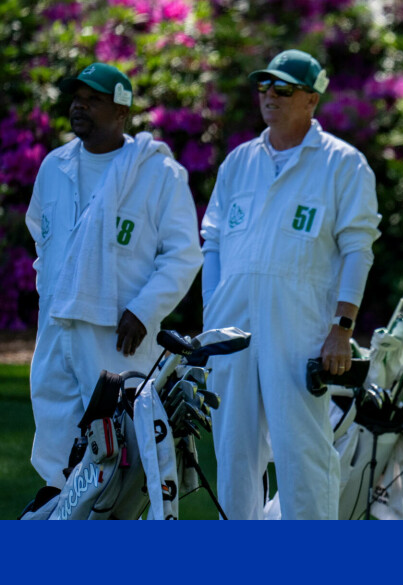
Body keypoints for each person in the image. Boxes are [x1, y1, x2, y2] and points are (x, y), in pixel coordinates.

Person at [200, 50, 381, 519]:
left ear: (312, 100)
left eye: (282, 89)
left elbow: (358, 248)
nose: (269, 97)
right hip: (232, 330)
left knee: (302, 451)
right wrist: (212, 317)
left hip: (300, 327)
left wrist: (342, 326)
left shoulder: (344, 164)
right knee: (234, 449)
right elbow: (213, 241)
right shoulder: (239, 161)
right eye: (264, 87)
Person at [24, 62, 202, 487]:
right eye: (77, 98)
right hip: (56, 330)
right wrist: (51, 295)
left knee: (120, 455)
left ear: (121, 111)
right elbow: (41, 240)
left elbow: (183, 255)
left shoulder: (156, 174)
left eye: (94, 100)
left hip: (117, 337)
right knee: (55, 448)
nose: (79, 106)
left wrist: (143, 310)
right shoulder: (54, 167)